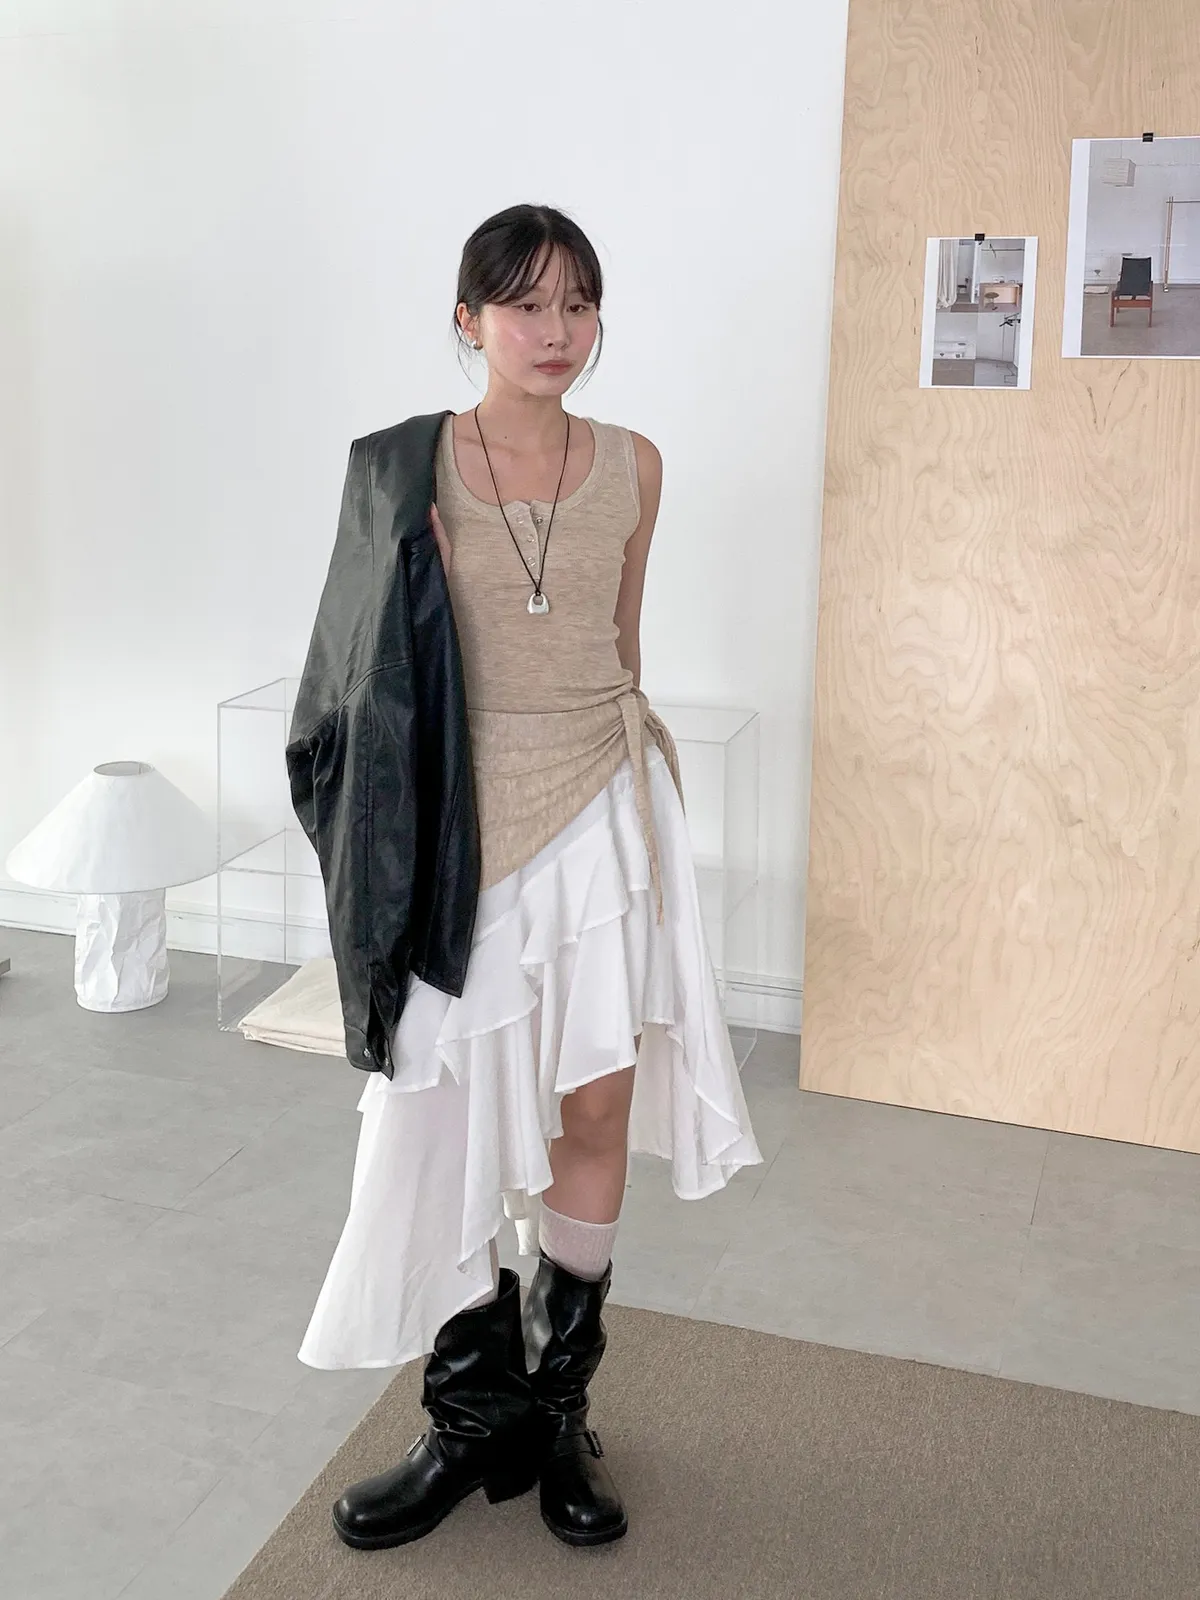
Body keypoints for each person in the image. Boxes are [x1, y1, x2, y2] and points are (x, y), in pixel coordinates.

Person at [297, 203, 762, 1552]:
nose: (556, 331)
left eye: (578, 304)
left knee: (593, 1108)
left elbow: (621, 644)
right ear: (469, 320)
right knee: (438, 1114)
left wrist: (630, 802)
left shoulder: (637, 464)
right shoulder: (404, 468)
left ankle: (555, 1413)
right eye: (524, 304)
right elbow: (355, 672)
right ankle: (465, 1421)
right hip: (459, 822)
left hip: (604, 810)